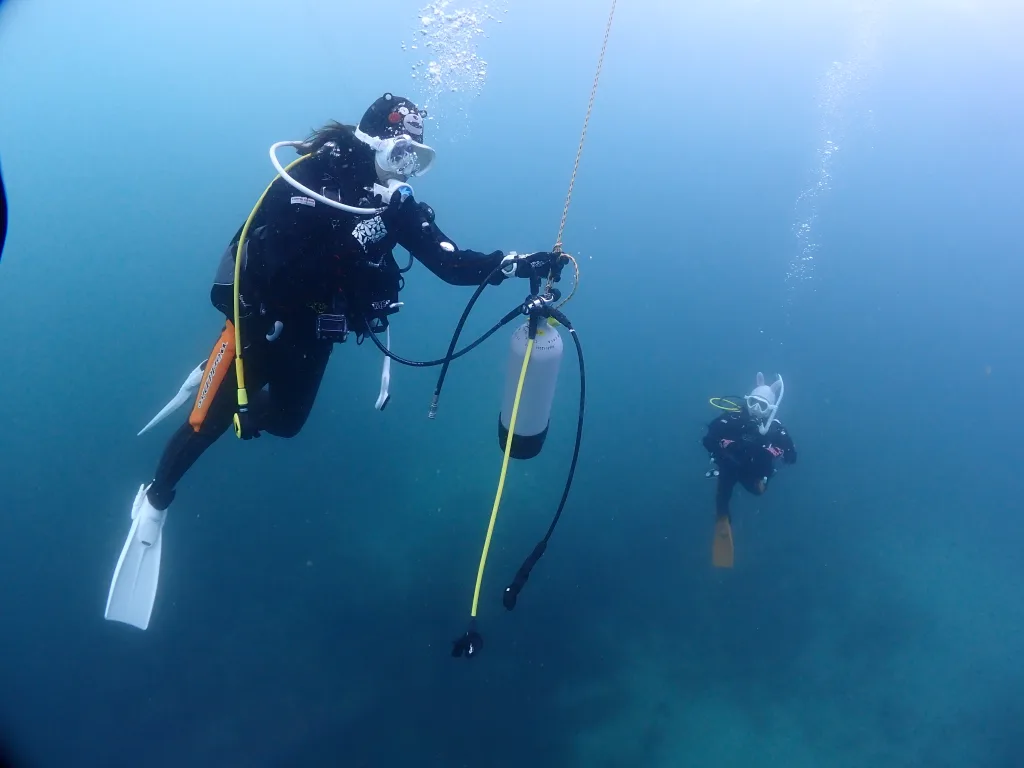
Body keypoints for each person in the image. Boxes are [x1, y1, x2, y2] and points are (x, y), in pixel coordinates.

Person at [105, 92, 568, 630]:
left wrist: (517, 264)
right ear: (372, 140)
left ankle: (230, 397)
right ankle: (155, 501)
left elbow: (454, 264)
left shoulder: (396, 205)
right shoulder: (311, 177)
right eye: (400, 151)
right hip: (260, 321)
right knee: (205, 425)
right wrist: (359, 237)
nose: (405, 166)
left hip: (314, 334)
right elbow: (274, 259)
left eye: (415, 157)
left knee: (287, 424)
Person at [702, 372, 797, 567]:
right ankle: (722, 519)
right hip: (730, 466)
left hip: (754, 472)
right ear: (747, 399)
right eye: (753, 402)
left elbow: (791, 456)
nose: (755, 409)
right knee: (723, 491)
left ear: (771, 408)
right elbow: (709, 438)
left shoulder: (775, 429)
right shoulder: (733, 417)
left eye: (762, 405)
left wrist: (774, 451)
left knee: (757, 491)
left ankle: (762, 481)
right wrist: (724, 446)